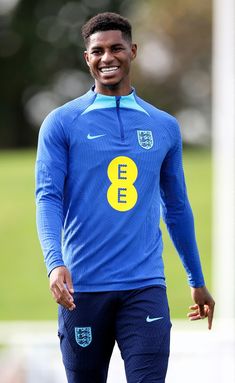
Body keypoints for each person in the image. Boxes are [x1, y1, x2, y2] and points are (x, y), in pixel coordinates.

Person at [35, 12, 215, 383]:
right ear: (87, 58)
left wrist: (196, 280)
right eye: (97, 51)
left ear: (132, 51)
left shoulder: (163, 125)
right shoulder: (62, 122)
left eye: (116, 48)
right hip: (81, 290)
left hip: (144, 287)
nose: (107, 58)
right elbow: (48, 197)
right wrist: (55, 263)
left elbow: (177, 207)